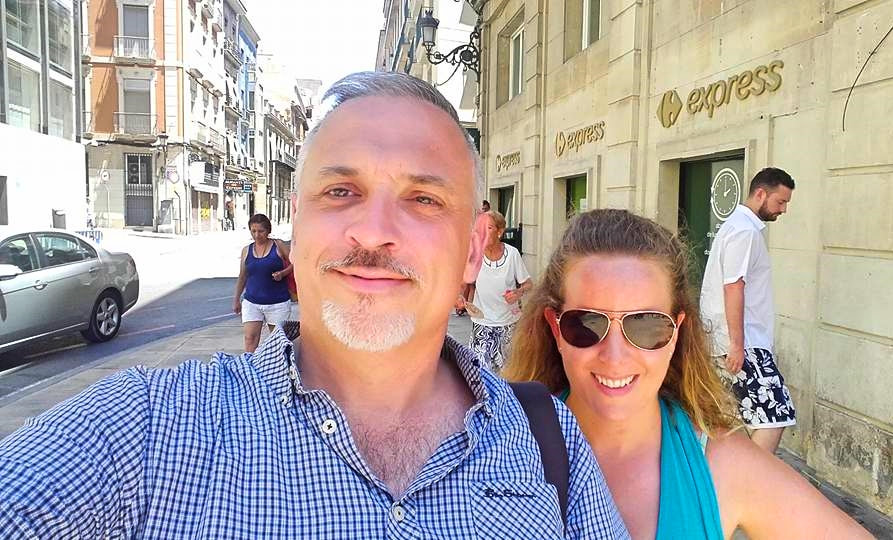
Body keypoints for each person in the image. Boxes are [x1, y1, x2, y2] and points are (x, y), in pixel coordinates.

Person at [0, 72, 626, 538]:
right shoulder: (142, 431)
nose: (373, 231)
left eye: (423, 199)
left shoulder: (550, 440)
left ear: (470, 249)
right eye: (341, 191)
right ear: (297, 230)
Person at [506, 209, 871, 539]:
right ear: (555, 328)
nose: (615, 357)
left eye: (647, 325)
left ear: (676, 333)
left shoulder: (722, 466)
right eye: (586, 324)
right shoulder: (499, 450)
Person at [699, 167, 796, 453]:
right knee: (775, 416)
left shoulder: (735, 227)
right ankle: (755, 477)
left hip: (727, 339)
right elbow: (733, 286)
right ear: (761, 194)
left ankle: (731, 475)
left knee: (733, 420)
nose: (783, 209)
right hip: (744, 343)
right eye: (780, 201)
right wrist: (737, 344)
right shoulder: (744, 231)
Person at [457, 210, 532, 372]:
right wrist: (460, 298)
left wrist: (518, 293)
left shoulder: (512, 254)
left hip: (508, 324)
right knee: (479, 373)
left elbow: (528, 284)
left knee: (508, 373)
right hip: (482, 323)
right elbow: (464, 283)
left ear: (500, 232)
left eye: (489, 228)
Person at [233, 213, 293, 353]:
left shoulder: (278, 245)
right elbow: (243, 276)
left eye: (261, 231)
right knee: (250, 339)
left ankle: (278, 366)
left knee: (277, 342)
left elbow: (295, 263)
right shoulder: (246, 250)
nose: (257, 235)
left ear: (268, 231)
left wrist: (283, 273)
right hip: (252, 302)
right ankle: (250, 365)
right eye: (253, 231)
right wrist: (236, 299)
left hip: (277, 303)